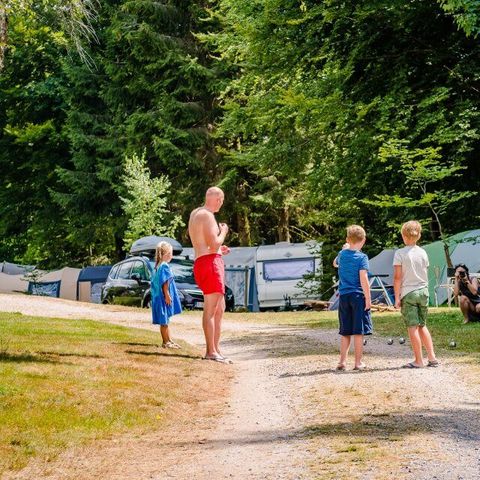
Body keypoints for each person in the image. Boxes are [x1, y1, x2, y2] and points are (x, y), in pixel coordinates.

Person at [188, 186, 232, 363]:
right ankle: (211, 352)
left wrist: (220, 250)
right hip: (210, 264)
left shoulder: (195, 213)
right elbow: (213, 245)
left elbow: (206, 245)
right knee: (212, 310)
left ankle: (216, 349)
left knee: (220, 308)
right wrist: (223, 232)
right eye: (222, 200)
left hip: (203, 261)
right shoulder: (208, 215)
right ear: (218, 199)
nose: (221, 204)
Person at [393, 221, 438, 368]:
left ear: (403, 236)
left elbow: (397, 278)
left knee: (412, 327)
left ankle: (418, 361)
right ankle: (432, 358)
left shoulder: (400, 253)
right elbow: (424, 271)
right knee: (422, 325)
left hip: (409, 293)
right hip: (423, 291)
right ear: (418, 236)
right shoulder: (423, 252)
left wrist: (397, 297)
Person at [334, 225, 372, 371]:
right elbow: (363, 278)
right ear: (363, 240)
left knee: (345, 331)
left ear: (347, 239)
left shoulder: (342, 254)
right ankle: (358, 362)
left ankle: (342, 362)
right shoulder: (362, 257)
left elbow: (335, 263)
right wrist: (368, 298)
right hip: (358, 296)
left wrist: (344, 249)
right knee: (358, 331)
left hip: (344, 297)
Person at [151, 241, 182, 349]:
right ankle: (165, 342)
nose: (171, 256)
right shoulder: (164, 266)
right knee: (164, 321)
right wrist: (167, 295)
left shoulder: (158, 265)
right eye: (170, 253)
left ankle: (169, 340)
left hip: (158, 296)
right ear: (165, 254)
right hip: (163, 297)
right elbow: (165, 282)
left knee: (166, 320)